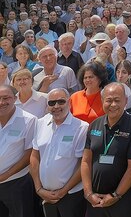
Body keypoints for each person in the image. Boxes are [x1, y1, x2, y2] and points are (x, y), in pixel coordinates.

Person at [81, 83, 131, 217]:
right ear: (102, 101)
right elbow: (86, 161)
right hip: (95, 200)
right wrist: (88, 193)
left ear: (126, 101)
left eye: (117, 100)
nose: (113, 104)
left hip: (122, 200)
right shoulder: (94, 125)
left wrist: (116, 195)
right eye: (109, 100)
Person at [31, 88, 89, 217]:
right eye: (51, 103)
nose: (56, 106)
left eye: (61, 102)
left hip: (71, 196)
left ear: (69, 102)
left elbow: (83, 164)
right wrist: (38, 188)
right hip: (45, 194)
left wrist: (63, 191)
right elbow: (35, 157)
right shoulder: (40, 123)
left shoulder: (81, 127)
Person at [0, 84, 37, 217]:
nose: (2, 102)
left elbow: (29, 154)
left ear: (15, 98)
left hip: (17, 183)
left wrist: (5, 175)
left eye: (6, 98)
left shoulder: (29, 120)